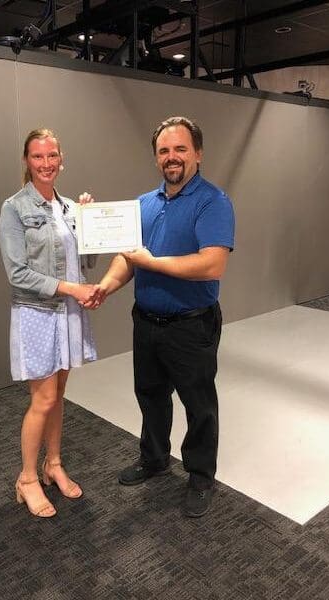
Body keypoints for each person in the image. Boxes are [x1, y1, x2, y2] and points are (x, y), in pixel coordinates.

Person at [89, 116, 235, 517]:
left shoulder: (213, 202)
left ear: (198, 153)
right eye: (164, 151)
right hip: (147, 322)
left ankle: (201, 475)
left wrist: (153, 262)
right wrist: (105, 285)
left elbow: (212, 264)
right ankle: (154, 458)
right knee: (151, 396)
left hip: (192, 324)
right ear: (156, 158)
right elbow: (127, 259)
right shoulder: (142, 205)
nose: (172, 157)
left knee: (198, 404)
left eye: (181, 149)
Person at [0, 128, 99, 518]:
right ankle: (26, 478)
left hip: (67, 313)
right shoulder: (14, 208)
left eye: (52, 156)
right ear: (27, 160)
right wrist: (71, 289)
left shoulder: (70, 207)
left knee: (57, 396)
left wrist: (88, 221)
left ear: (61, 158)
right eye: (38, 157)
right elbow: (17, 274)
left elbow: (88, 262)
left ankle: (52, 464)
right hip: (38, 314)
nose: (46, 164)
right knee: (42, 400)